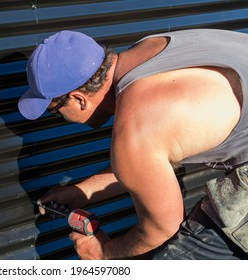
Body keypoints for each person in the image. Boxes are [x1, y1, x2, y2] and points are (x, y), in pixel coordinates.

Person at [17, 29, 248, 259]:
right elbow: (147, 162)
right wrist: (83, 192)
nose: (61, 119)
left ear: (78, 99)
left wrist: (103, 253)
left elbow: (161, 229)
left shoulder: (136, 125)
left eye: (55, 111)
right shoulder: (151, 46)